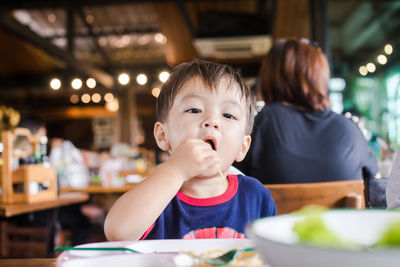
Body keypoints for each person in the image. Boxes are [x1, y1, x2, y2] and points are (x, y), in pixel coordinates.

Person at [104, 60, 276, 241]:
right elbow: (118, 233)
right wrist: (176, 170)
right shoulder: (156, 196)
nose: (212, 121)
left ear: (243, 146)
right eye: (194, 110)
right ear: (163, 135)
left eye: (228, 115)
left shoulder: (256, 197)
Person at [234, 38, 378, 184]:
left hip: (279, 208)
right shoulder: (350, 129)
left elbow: (229, 184)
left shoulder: (260, 123)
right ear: (322, 77)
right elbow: (377, 186)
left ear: (270, 77)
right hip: (341, 208)